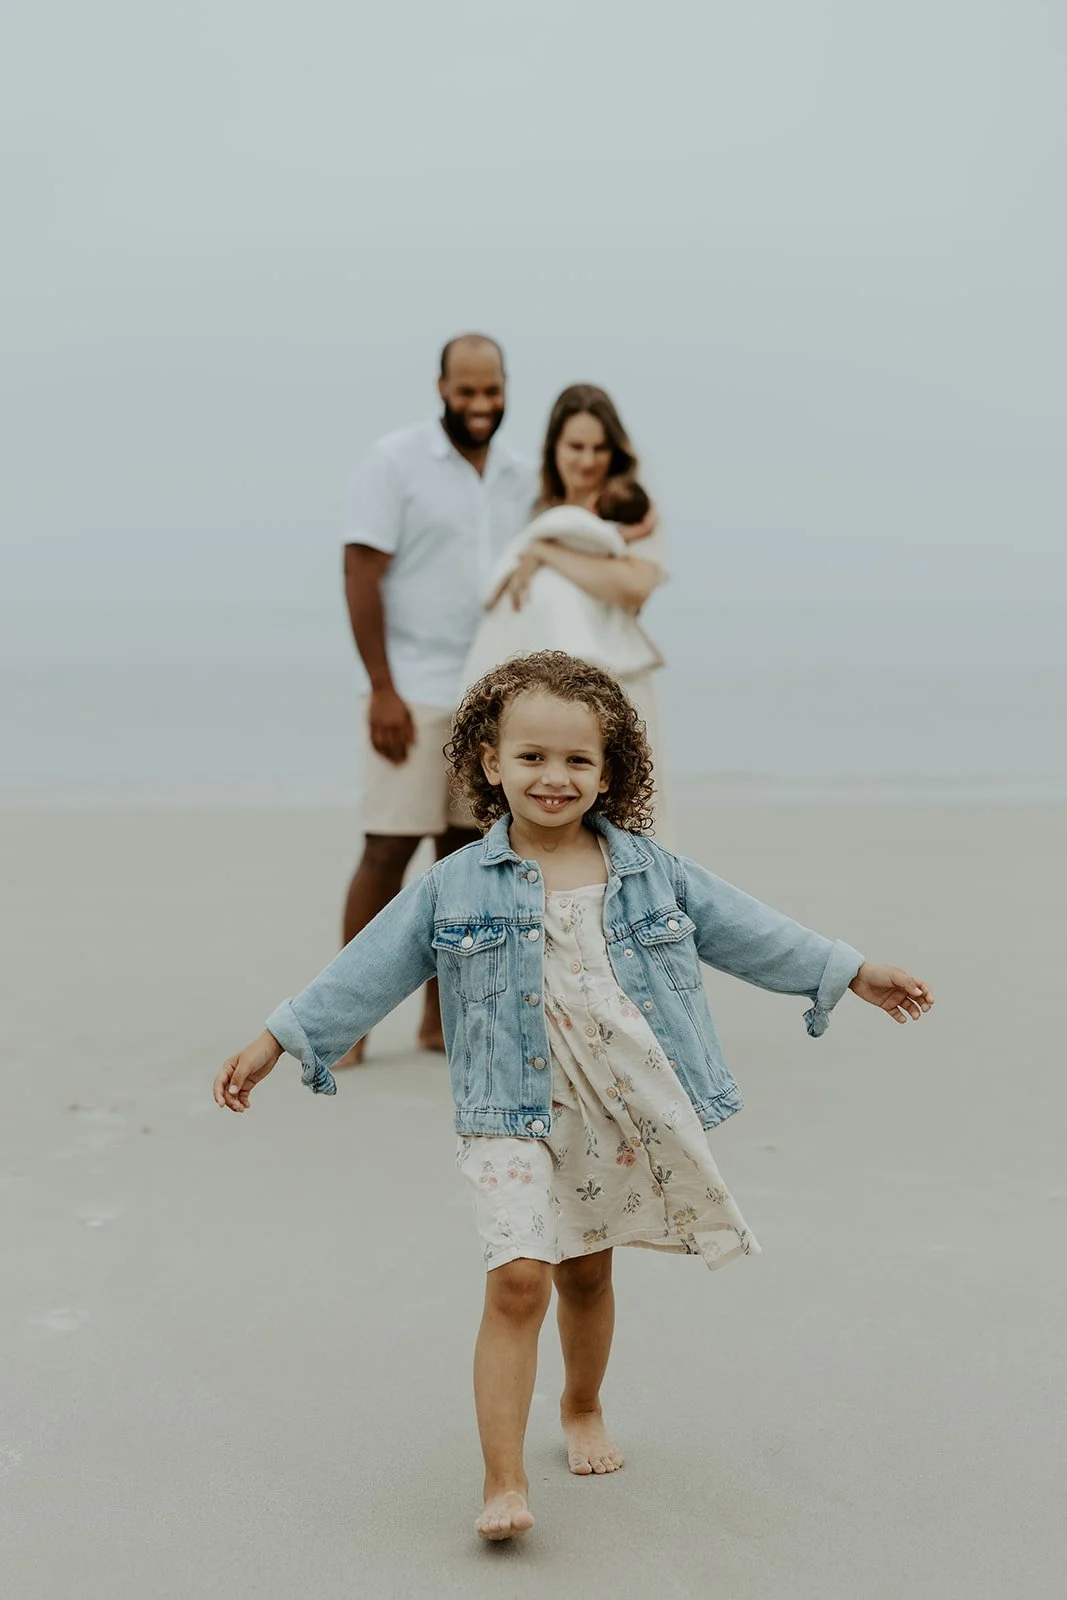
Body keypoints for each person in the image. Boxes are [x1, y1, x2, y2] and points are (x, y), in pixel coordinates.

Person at [214, 650, 934, 1544]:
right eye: (531, 757)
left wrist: (850, 971)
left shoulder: (648, 870)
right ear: (488, 762)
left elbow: (749, 929)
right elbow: (364, 971)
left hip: (620, 1106)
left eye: (576, 761)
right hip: (508, 1111)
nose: (553, 778)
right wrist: (277, 1039)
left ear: (608, 772)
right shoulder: (452, 884)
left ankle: (582, 1402)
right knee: (518, 1279)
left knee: (587, 1270)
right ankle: (504, 1481)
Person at [338, 334, 536, 1060]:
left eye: (491, 392)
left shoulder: (521, 475)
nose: (480, 406)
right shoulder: (395, 461)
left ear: (506, 387)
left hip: (490, 690)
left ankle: (439, 1022)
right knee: (386, 850)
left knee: (464, 858)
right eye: (466, 392)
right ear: (441, 387)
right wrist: (382, 688)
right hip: (412, 692)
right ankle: (346, 1022)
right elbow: (360, 571)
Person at [465, 384, 671, 834]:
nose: (587, 459)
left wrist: (547, 552)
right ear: (554, 449)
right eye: (576, 446)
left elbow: (633, 586)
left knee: (622, 825)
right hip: (538, 693)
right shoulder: (536, 508)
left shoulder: (629, 510)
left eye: (599, 447)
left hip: (613, 685)